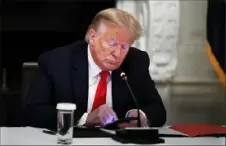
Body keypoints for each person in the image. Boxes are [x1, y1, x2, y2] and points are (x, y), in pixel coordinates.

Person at [24, 8, 166, 130]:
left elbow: (158, 111)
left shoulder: (136, 61)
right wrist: (84, 119)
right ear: (93, 37)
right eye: (112, 43)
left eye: (124, 47)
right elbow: (33, 112)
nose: (117, 53)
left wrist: (141, 116)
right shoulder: (58, 61)